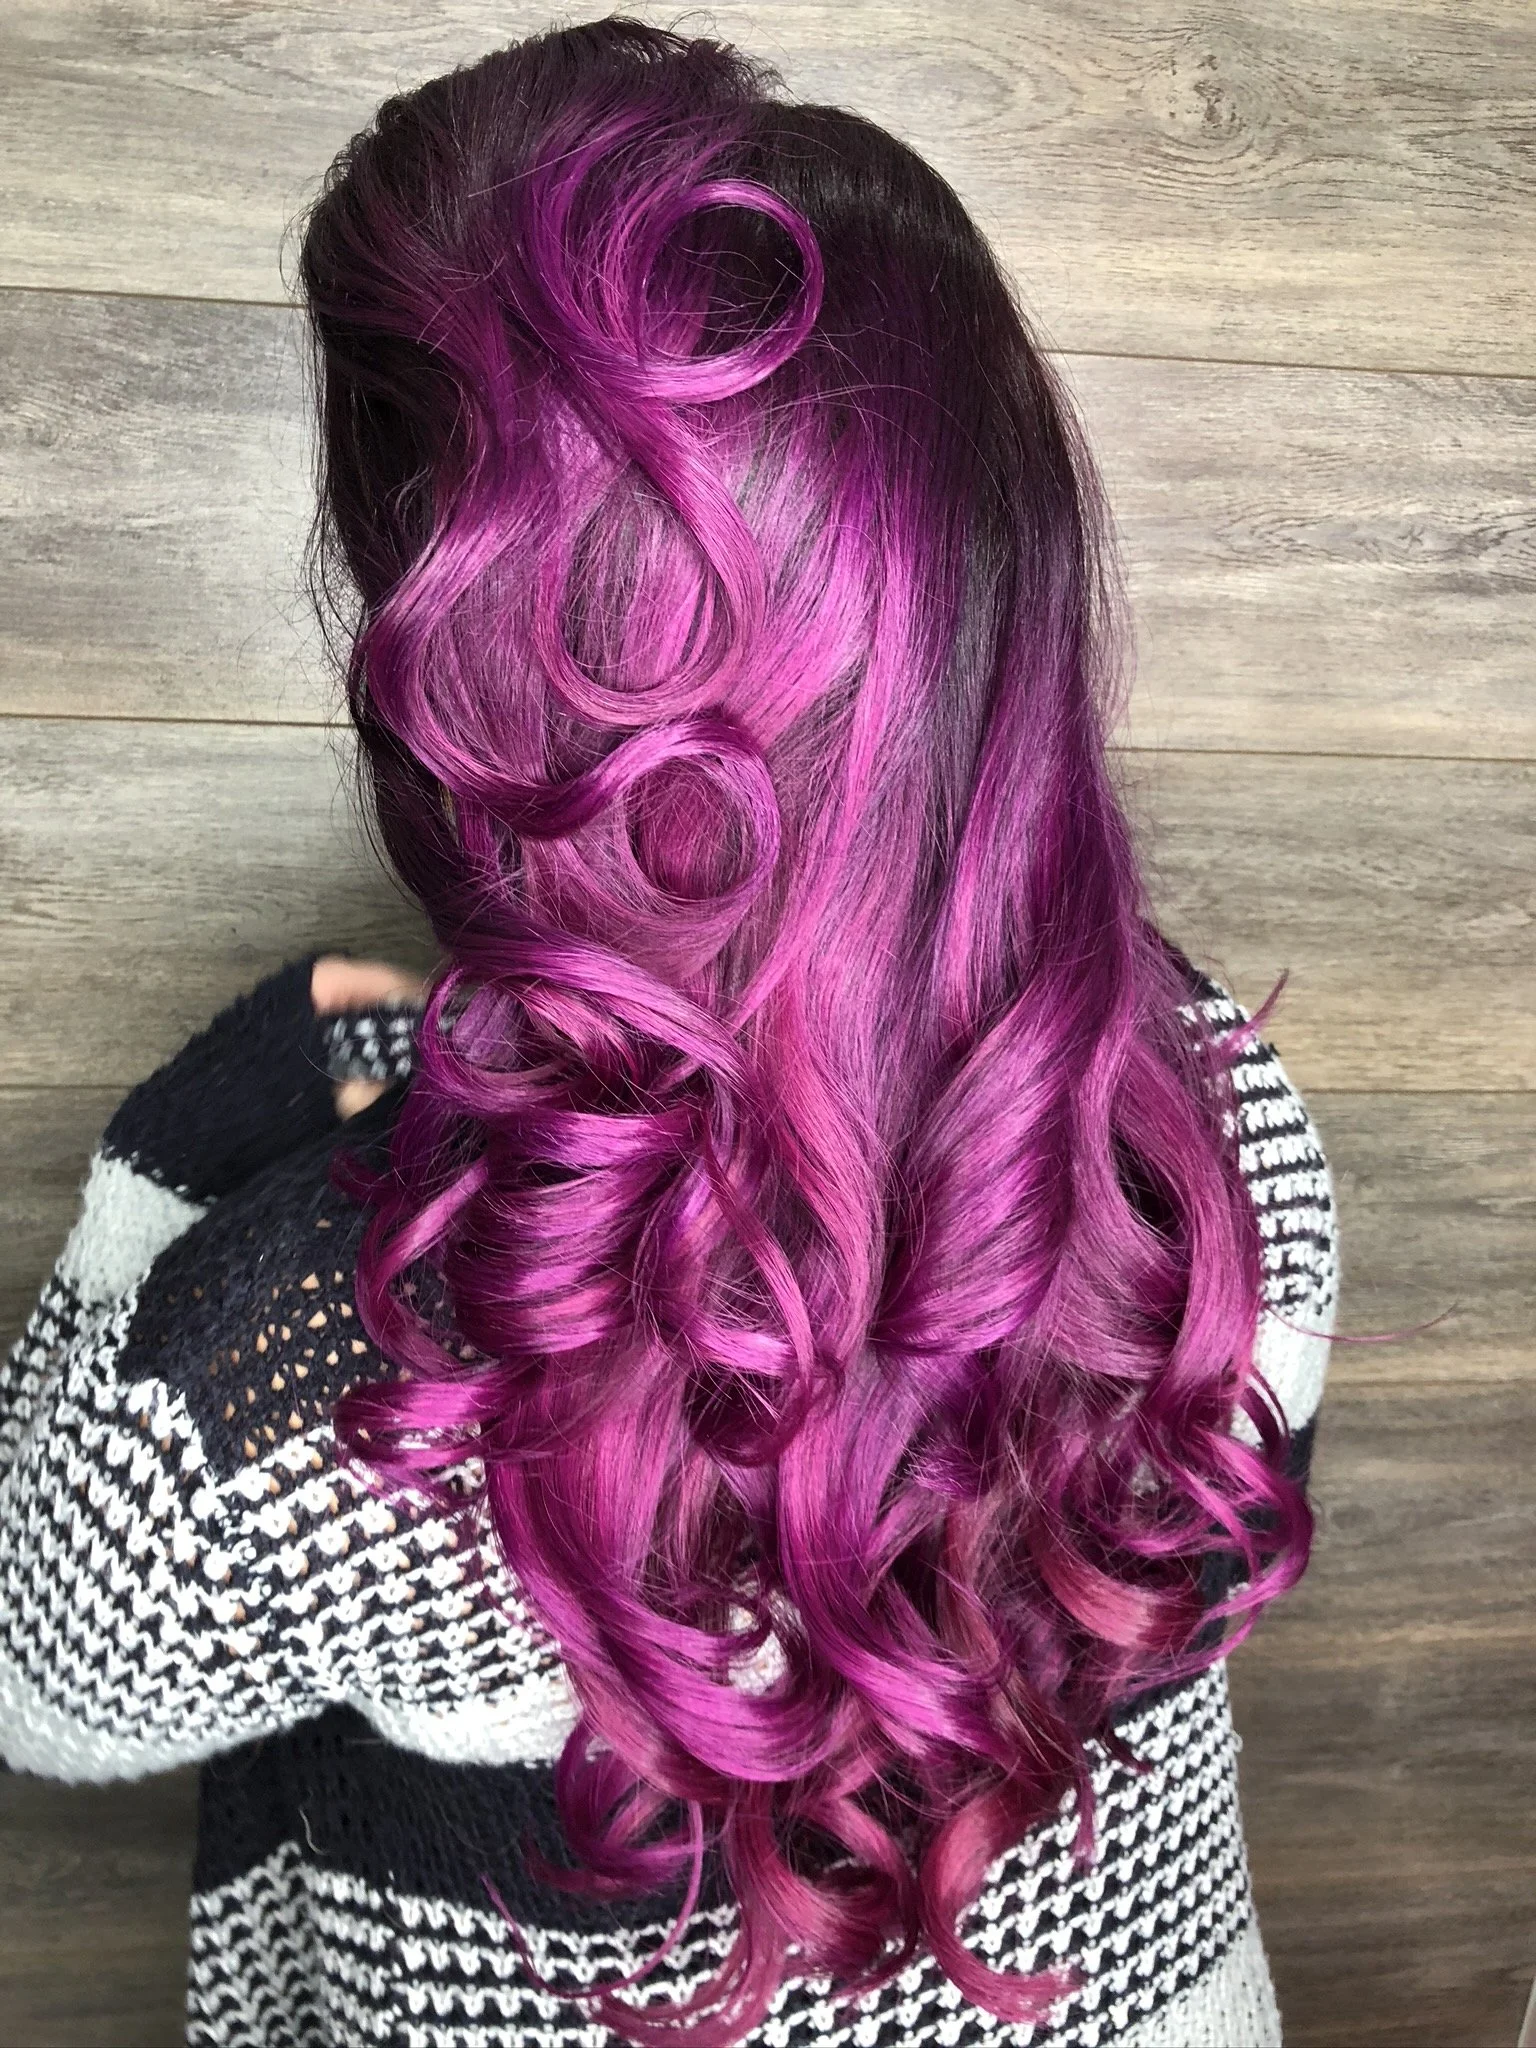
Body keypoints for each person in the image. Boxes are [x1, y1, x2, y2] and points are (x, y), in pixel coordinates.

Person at [0, 19, 1338, 2046]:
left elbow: (47, 1680)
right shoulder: (1220, 1125)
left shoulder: (328, 1364)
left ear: (434, 657)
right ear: (993, 569)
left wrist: (174, 1168)